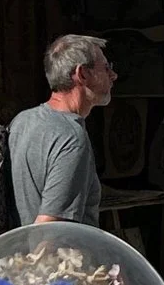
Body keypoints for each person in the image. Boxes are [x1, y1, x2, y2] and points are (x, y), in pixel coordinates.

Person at [11, 34, 113, 226]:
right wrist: (39, 254)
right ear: (82, 74)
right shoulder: (71, 137)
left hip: (17, 251)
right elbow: (52, 227)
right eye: (106, 68)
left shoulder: (22, 121)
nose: (113, 76)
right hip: (54, 254)